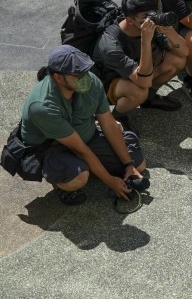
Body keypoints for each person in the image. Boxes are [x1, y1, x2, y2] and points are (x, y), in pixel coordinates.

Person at [20, 45, 145, 205]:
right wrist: (110, 181)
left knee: (138, 165)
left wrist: (129, 165)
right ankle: (62, 181)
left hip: (86, 137)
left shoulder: (91, 82)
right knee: (78, 177)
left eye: (85, 71)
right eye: (78, 74)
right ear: (58, 77)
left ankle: (91, 166)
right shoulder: (42, 106)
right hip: (53, 147)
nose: (85, 77)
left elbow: (108, 124)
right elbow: (79, 149)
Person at [92, 0, 188, 114]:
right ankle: (118, 116)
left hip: (138, 71)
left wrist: (169, 32)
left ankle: (149, 99)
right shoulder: (110, 44)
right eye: (145, 16)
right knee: (139, 90)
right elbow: (144, 81)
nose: (152, 18)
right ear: (130, 20)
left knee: (177, 60)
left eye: (154, 13)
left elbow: (184, 52)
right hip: (110, 82)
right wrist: (145, 42)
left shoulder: (147, 25)